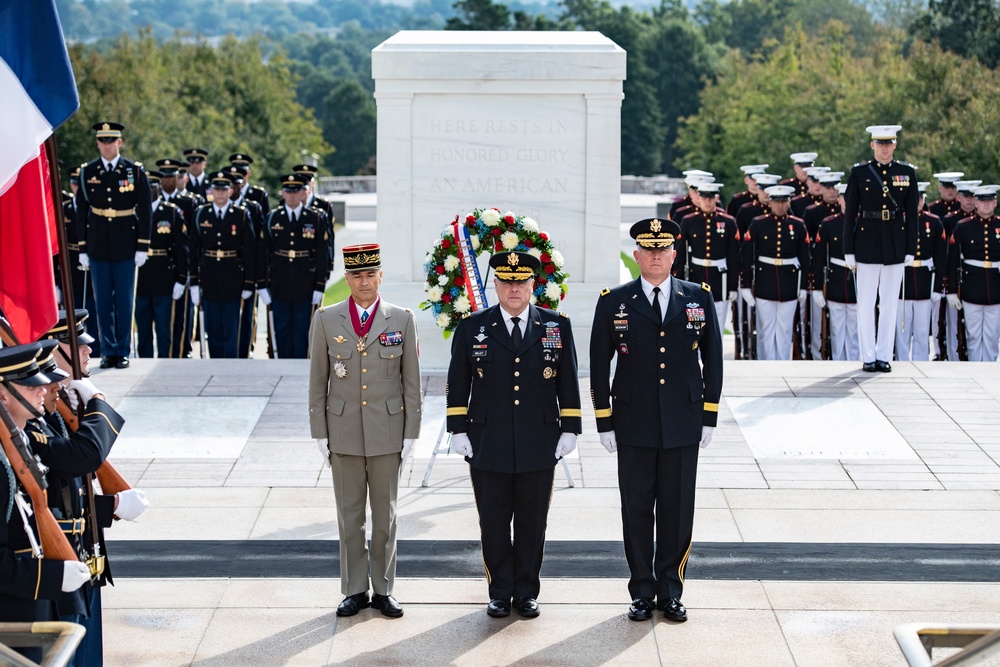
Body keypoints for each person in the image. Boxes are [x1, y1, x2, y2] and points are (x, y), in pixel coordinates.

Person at [590, 218, 722, 623]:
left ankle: (671, 590)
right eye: (648, 251)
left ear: (674, 255)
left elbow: (713, 358)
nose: (656, 257)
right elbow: (598, 364)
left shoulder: (698, 297)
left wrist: (709, 414)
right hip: (634, 423)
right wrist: (604, 420)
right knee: (636, 511)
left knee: (678, 510)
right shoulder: (614, 301)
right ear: (637, 256)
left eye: (663, 250)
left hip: (683, 421)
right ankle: (642, 591)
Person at [446, 251, 581, 619]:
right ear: (496, 285)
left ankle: (526, 590)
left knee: (532, 521)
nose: (514, 289)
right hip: (488, 441)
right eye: (507, 282)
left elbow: (567, 381)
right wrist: (457, 429)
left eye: (521, 282)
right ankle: (499, 590)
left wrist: (570, 427)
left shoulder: (556, 326)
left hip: (539, 441)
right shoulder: (473, 326)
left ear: (533, 285)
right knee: (492, 520)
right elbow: (458, 383)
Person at [308, 243, 421, 618]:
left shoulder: (401, 319)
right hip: (343, 432)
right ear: (348, 278)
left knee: (385, 516)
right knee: (349, 516)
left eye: (370, 274)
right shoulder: (326, 319)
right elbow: (317, 381)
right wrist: (319, 431)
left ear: (380, 276)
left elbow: (411, 382)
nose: (364, 282)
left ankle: (384, 589)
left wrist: (411, 433)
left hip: (387, 432)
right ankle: (355, 589)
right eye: (357, 275)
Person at [0, 343, 92, 663]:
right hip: (13, 618)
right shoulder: (2, 465)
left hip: (34, 606)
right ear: (2, 396)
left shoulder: (18, 446)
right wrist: (52, 576)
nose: (42, 389)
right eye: (29, 383)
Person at [74, 121, 152, 370]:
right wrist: (83, 249)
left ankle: (123, 349)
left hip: (126, 244)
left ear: (119, 142)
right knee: (104, 302)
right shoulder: (88, 172)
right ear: (98, 143)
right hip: (98, 246)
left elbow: (146, 210)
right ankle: (108, 350)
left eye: (111, 141)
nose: (107, 145)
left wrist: (143, 246)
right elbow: (81, 212)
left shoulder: (135, 171)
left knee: (125, 301)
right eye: (102, 141)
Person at [844, 125, 919, 372]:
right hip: (866, 242)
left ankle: (884, 355)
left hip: (895, 244)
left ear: (895, 145)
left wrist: (910, 248)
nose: (884, 148)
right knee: (865, 303)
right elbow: (850, 214)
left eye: (889, 143)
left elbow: (912, 216)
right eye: (880, 143)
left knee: (889, 304)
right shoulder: (859, 173)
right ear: (872, 145)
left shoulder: (906, 173)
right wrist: (848, 250)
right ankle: (868, 356)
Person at [189, 172, 257, 358]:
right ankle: (216, 363)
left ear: (230, 191)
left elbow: (250, 251)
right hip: (209, 277)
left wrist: (249, 282)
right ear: (211, 191)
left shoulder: (241, 215)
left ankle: (231, 364)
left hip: (233, 277)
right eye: (216, 189)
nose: (220, 193)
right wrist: (194, 282)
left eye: (224, 189)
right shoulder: (201, 214)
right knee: (213, 327)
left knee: (231, 326)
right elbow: (194, 250)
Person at [261, 174, 329, 358]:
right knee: (281, 326)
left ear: (302, 193)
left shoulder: (315, 218)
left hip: (304, 281)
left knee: (302, 327)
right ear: (282, 193)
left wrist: (319, 285)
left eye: (296, 191)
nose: (291, 196)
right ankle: (283, 361)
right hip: (279, 280)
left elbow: (322, 254)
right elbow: (263, 253)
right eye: (288, 192)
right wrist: (262, 284)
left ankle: (300, 363)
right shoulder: (272, 218)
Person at [740, 186, 810, 360]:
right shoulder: (758, 223)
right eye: (777, 201)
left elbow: (805, 258)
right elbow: (747, 256)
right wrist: (746, 286)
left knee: (785, 329)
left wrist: (803, 286)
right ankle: (767, 362)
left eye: (784, 201)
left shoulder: (798, 225)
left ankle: (783, 362)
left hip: (789, 282)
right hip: (766, 281)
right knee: (766, 329)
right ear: (770, 202)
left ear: (789, 202)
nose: (780, 205)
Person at [674, 181, 739, 337]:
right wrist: (678, 282)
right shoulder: (689, 221)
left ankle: (716, 359)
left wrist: (732, 286)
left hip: (720, 279)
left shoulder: (728, 222)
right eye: (704, 197)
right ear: (699, 198)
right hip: (697, 276)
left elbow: (733, 256)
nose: (708, 201)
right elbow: (681, 254)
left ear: (716, 198)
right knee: (695, 324)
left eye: (711, 198)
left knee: (718, 325)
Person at [135, 171, 188, 358]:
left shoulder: (171, 212)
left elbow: (182, 249)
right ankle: (144, 360)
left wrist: (181, 279)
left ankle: (165, 360)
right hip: (141, 278)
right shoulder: (136, 212)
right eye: (147, 187)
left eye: (154, 186)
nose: (151, 190)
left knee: (165, 328)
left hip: (164, 278)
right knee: (143, 327)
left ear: (159, 188)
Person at [946, 185, 1000, 361]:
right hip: (971, 287)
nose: (986, 205)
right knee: (973, 335)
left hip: (996, 287)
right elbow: (952, 260)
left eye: (990, 201)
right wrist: (952, 290)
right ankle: (975, 368)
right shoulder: (963, 226)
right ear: (976, 203)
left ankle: (990, 367)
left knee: (992, 336)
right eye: (982, 201)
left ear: (995, 203)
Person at [895, 183, 947, 361]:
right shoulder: (897, 220)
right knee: (902, 328)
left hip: (925, 280)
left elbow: (940, 257)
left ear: (923, 200)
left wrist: (939, 287)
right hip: (903, 281)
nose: (916, 202)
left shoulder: (933, 222)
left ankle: (921, 361)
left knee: (922, 329)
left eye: (919, 199)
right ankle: (901, 361)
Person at [811, 184, 860, 360]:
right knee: (837, 329)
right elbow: (819, 258)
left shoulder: (864, 223)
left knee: (855, 330)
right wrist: (817, 287)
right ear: (839, 200)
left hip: (858, 280)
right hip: (836, 280)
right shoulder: (829, 224)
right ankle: (838, 360)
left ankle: (855, 360)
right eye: (846, 200)